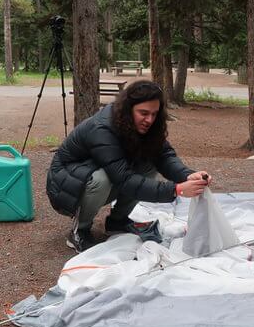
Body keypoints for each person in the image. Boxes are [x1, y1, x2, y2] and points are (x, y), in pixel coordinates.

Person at [46, 79, 212, 251]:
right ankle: (79, 231)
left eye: (154, 114)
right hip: (65, 186)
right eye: (144, 113)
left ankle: (118, 221)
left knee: (148, 164)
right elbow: (124, 179)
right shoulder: (102, 129)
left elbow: (164, 155)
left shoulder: (143, 125)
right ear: (128, 108)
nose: (149, 120)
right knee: (102, 179)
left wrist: (187, 175)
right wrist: (176, 190)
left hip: (94, 175)